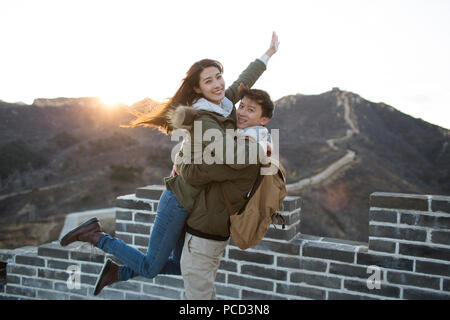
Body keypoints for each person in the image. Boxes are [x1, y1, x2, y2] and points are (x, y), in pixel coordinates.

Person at [58, 32, 279, 296]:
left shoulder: (224, 105)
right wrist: (257, 150)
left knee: (182, 265)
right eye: (208, 81)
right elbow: (224, 162)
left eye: (219, 76)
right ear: (197, 89)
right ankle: (96, 236)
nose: (218, 84)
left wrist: (267, 54)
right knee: (152, 267)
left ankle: (117, 271)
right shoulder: (204, 117)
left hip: (194, 205)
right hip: (179, 199)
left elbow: (245, 79)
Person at [174, 84, 277, 300]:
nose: (241, 112)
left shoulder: (248, 148)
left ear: (264, 119)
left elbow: (196, 173)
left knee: (198, 297)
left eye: (251, 110)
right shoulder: (250, 141)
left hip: (206, 231)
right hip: (213, 227)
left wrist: (180, 159)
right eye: (241, 106)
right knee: (202, 291)